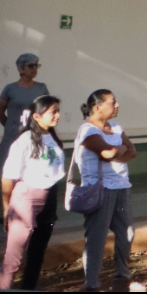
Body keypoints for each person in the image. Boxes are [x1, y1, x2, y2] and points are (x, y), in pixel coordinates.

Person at [76, 89, 143, 292]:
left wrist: (117, 152)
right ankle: (92, 285)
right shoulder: (88, 131)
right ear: (98, 107)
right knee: (97, 237)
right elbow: (107, 153)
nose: (117, 105)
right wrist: (117, 151)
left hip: (122, 186)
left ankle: (122, 278)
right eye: (113, 102)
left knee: (127, 233)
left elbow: (132, 151)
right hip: (99, 189)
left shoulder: (115, 127)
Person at [1, 95, 65, 290]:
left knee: (37, 253)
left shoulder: (53, 138)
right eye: (53, 112)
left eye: (57, 111)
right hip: (25, 197)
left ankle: (28, 287)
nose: (57, 115)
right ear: (37, 117)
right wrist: (6, 208)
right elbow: (7, 178)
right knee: (14, 257)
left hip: (49, 196)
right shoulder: (25, 139)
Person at [0, 53, 50, 163]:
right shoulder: (10, 88)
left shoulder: (42, 88)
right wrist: (11, 125)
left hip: (35, 136)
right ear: (20, 69)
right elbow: (0, 111)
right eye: (31, 66)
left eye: (37, 65)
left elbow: (48, 110)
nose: (35, 68)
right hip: (13, 137)